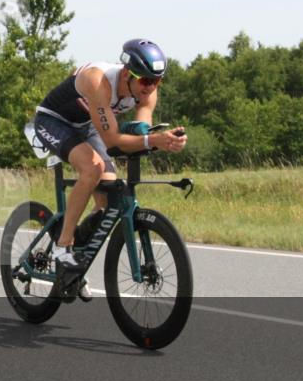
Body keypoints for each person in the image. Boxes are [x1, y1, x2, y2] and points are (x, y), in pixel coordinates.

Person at [32, 39, 187, 300]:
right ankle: (63, 247)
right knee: (92, 169)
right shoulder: (98, 81)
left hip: (87, 125)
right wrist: (153, 141)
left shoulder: (147, 91)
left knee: (108, 196)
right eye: (146, 81)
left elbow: (141, 132)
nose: (151, 87)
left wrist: (164, 140)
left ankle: (80, 249)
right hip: (54, 120)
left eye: (157, 81)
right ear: (127, 73)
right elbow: (113, 140)